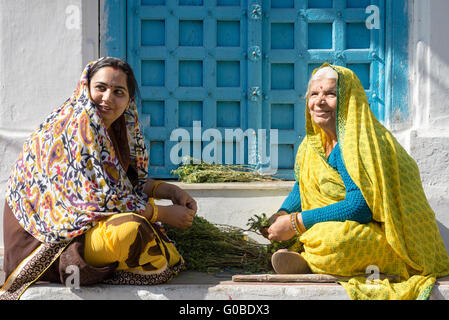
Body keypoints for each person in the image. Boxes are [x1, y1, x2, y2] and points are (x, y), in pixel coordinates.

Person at [1, 57, 197, 300]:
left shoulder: (112, 131)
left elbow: (120, 184)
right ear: (86, 88)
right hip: (49, 244)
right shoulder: (74, 128)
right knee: (134, 231)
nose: (107, 98)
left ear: (128, 100)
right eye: (100, 88)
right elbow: (99, 200)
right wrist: (160, 213)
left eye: (118, 92)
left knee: (152, 239)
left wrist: (169, 191)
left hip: (84, 228)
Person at [261, 63, 449, 300]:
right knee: (318, 234)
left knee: (332, 242)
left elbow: (360, 207)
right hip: (344, 221)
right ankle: (306, 257)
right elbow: (302, 186)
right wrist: (283, 212)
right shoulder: (312, 144)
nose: (319, 101)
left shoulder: (358, 144)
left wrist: (296, 222)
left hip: (389, 235)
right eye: (314, 94)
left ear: (348, 99)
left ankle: (308, 259)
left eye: (330, 94)